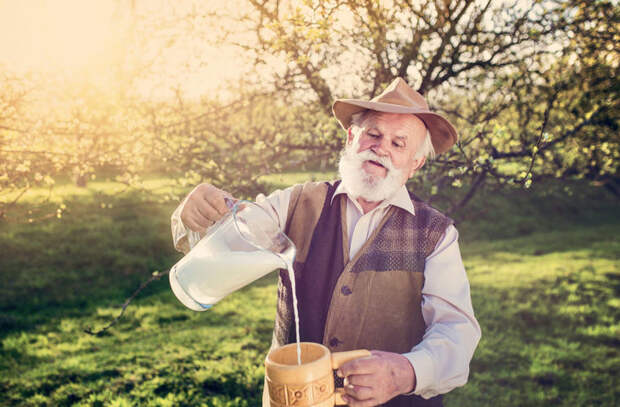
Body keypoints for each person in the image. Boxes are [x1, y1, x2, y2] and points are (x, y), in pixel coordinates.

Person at [170, 77, 481, 407]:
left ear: (415, 163)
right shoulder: (298, 202)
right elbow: (226, 236)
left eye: (399, 143)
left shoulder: (436, 233)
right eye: (373, 134)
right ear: (351, 137)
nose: (382, 148)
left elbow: (456, 332)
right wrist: (193, 215)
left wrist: (401, 373)